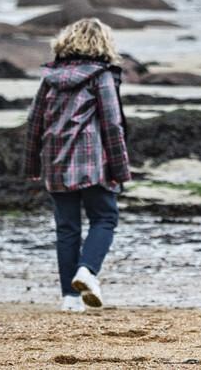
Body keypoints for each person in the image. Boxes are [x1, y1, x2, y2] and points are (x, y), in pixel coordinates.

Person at [24, 17, 131, 312]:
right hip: (93, 163)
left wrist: (33, 165)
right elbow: (113, 124)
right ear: (104, 43)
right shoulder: (102, 76)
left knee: (66, 229)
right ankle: (87, 270)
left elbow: (33, 122)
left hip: (55, 164)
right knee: (105, 218)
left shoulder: (49, 78)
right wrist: (121, 170)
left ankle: (69, 298)